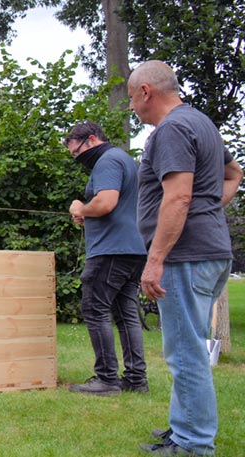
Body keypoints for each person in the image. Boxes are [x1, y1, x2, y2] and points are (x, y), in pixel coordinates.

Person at [129, 60, 243, 455]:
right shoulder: (202, 123)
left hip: (185, 256)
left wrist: (155, 258)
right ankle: (184, 429)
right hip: (210, 252)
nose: (132, 108)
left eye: (131, 98)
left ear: (146, 91)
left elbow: (178, 196)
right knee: (187, 345)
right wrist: (209, 212)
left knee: (185, 352)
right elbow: (234, 173)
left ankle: (193, 443)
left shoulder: (172, 129)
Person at [64, 121, 149, 396]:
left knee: (95, 310)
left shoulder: (107, 161)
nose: (77, 159)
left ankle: (107, 380)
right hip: (134, 248)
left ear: (90, 140)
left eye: (76, 152)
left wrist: (81, 207)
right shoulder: (125, 159)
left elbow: (106, 203)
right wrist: (87, 214)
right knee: (126, 315)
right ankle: (136, 380)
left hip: (110, 250)